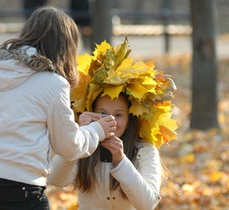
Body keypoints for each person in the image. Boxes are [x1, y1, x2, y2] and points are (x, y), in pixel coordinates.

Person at [0, 6, 117, 210]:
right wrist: (96, 130)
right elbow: (69, 146)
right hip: (18, 186)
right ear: (66, 48)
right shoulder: (54, 83)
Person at [47, 38, 178, 210]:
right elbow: (55, 179)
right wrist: (79, 137)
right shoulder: (85, 144)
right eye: (102, 114)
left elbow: (148, 203)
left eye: (119, 115)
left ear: (130, 118)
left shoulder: (144, 150)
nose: (110, 120)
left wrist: (121, 161)